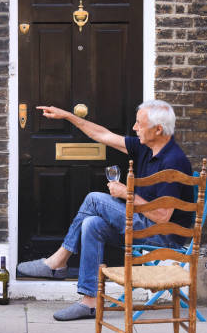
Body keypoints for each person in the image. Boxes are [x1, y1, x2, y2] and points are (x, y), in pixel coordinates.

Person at [17, 100, 193, 321]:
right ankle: (89, 302)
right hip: (144, 224)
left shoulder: (173, 161)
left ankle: (57, 262)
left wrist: (126, 194)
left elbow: (162, 217)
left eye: (139, 124)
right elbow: (102, 135)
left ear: (158, 129)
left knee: (94, 200)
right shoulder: (146, 147)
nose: (134, 128)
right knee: (92, 224)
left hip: (163, 236)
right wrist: (68, 116)